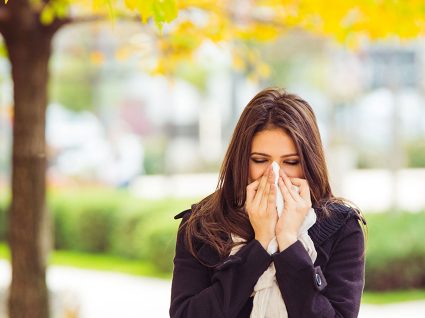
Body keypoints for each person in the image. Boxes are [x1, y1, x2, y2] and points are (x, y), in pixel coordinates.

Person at [169, 88, 367, 318]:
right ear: (242, 160)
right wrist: (260, 245)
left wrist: (288, 242)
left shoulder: (341, 227)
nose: (274, 174)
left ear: (308, 163)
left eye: (291, 162)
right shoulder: (202, 225)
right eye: (260, 160)